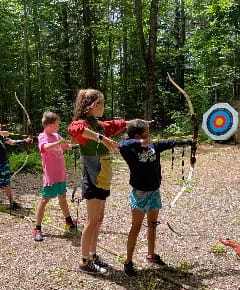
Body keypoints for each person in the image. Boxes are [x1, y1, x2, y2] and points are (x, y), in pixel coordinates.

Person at [119, 119, 192, 276]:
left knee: (152, 224)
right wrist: (140, 143)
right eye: (145, 135)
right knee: (136, 226)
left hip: (154, 191)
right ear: (137, 136)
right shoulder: (129, 149)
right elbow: (122, 144)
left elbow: (170, 142)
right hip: (140, 193)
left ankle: (151, 255)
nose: (149, 137)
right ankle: (128, 261)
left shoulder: (154, 146)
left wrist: (189, 141)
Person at [68, 88, 127, 275]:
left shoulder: (96, 124)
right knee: (92, 220)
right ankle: (84, 262)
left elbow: (112, 125)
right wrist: (101, 139)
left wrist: (132, 123)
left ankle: (93, 255)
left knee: (99, 219)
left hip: (102, 177)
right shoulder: (84, 124)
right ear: (95, 105)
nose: (104, 107)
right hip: (93, 177)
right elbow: (74, 129)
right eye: (103, 103)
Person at [32, 111, 81, 241]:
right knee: (44, 200)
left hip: (60, 174)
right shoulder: (43, 136)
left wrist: (80, 144)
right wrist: (58, 143)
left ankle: (69, 221)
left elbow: (68, 146)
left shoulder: (56, 135)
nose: (59, 126)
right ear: (50, 125)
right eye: (57, 124)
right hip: (51, 176)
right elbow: (45, 147)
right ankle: (37, 228)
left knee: (63, 198)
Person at [0, 114, 31, 214]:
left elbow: (11, 142)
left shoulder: (0, 135)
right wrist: (1, 132)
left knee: (6, 184)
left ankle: (12, 203)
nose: (0, 124)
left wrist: (24, 141)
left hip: (4, 163)